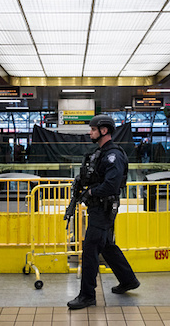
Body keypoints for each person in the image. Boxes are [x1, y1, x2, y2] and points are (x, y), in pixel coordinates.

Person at [67, 114, 139, 310]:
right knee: (106, 245)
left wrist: (90, 192)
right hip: (99, 208)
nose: (90, 132)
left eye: (93, 129)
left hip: (103, 209)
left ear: (104, 130)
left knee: (90, 250)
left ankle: (87, 295)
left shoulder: (112, 155)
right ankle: (128, 280)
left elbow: (111, 185)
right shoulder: (100, 153)